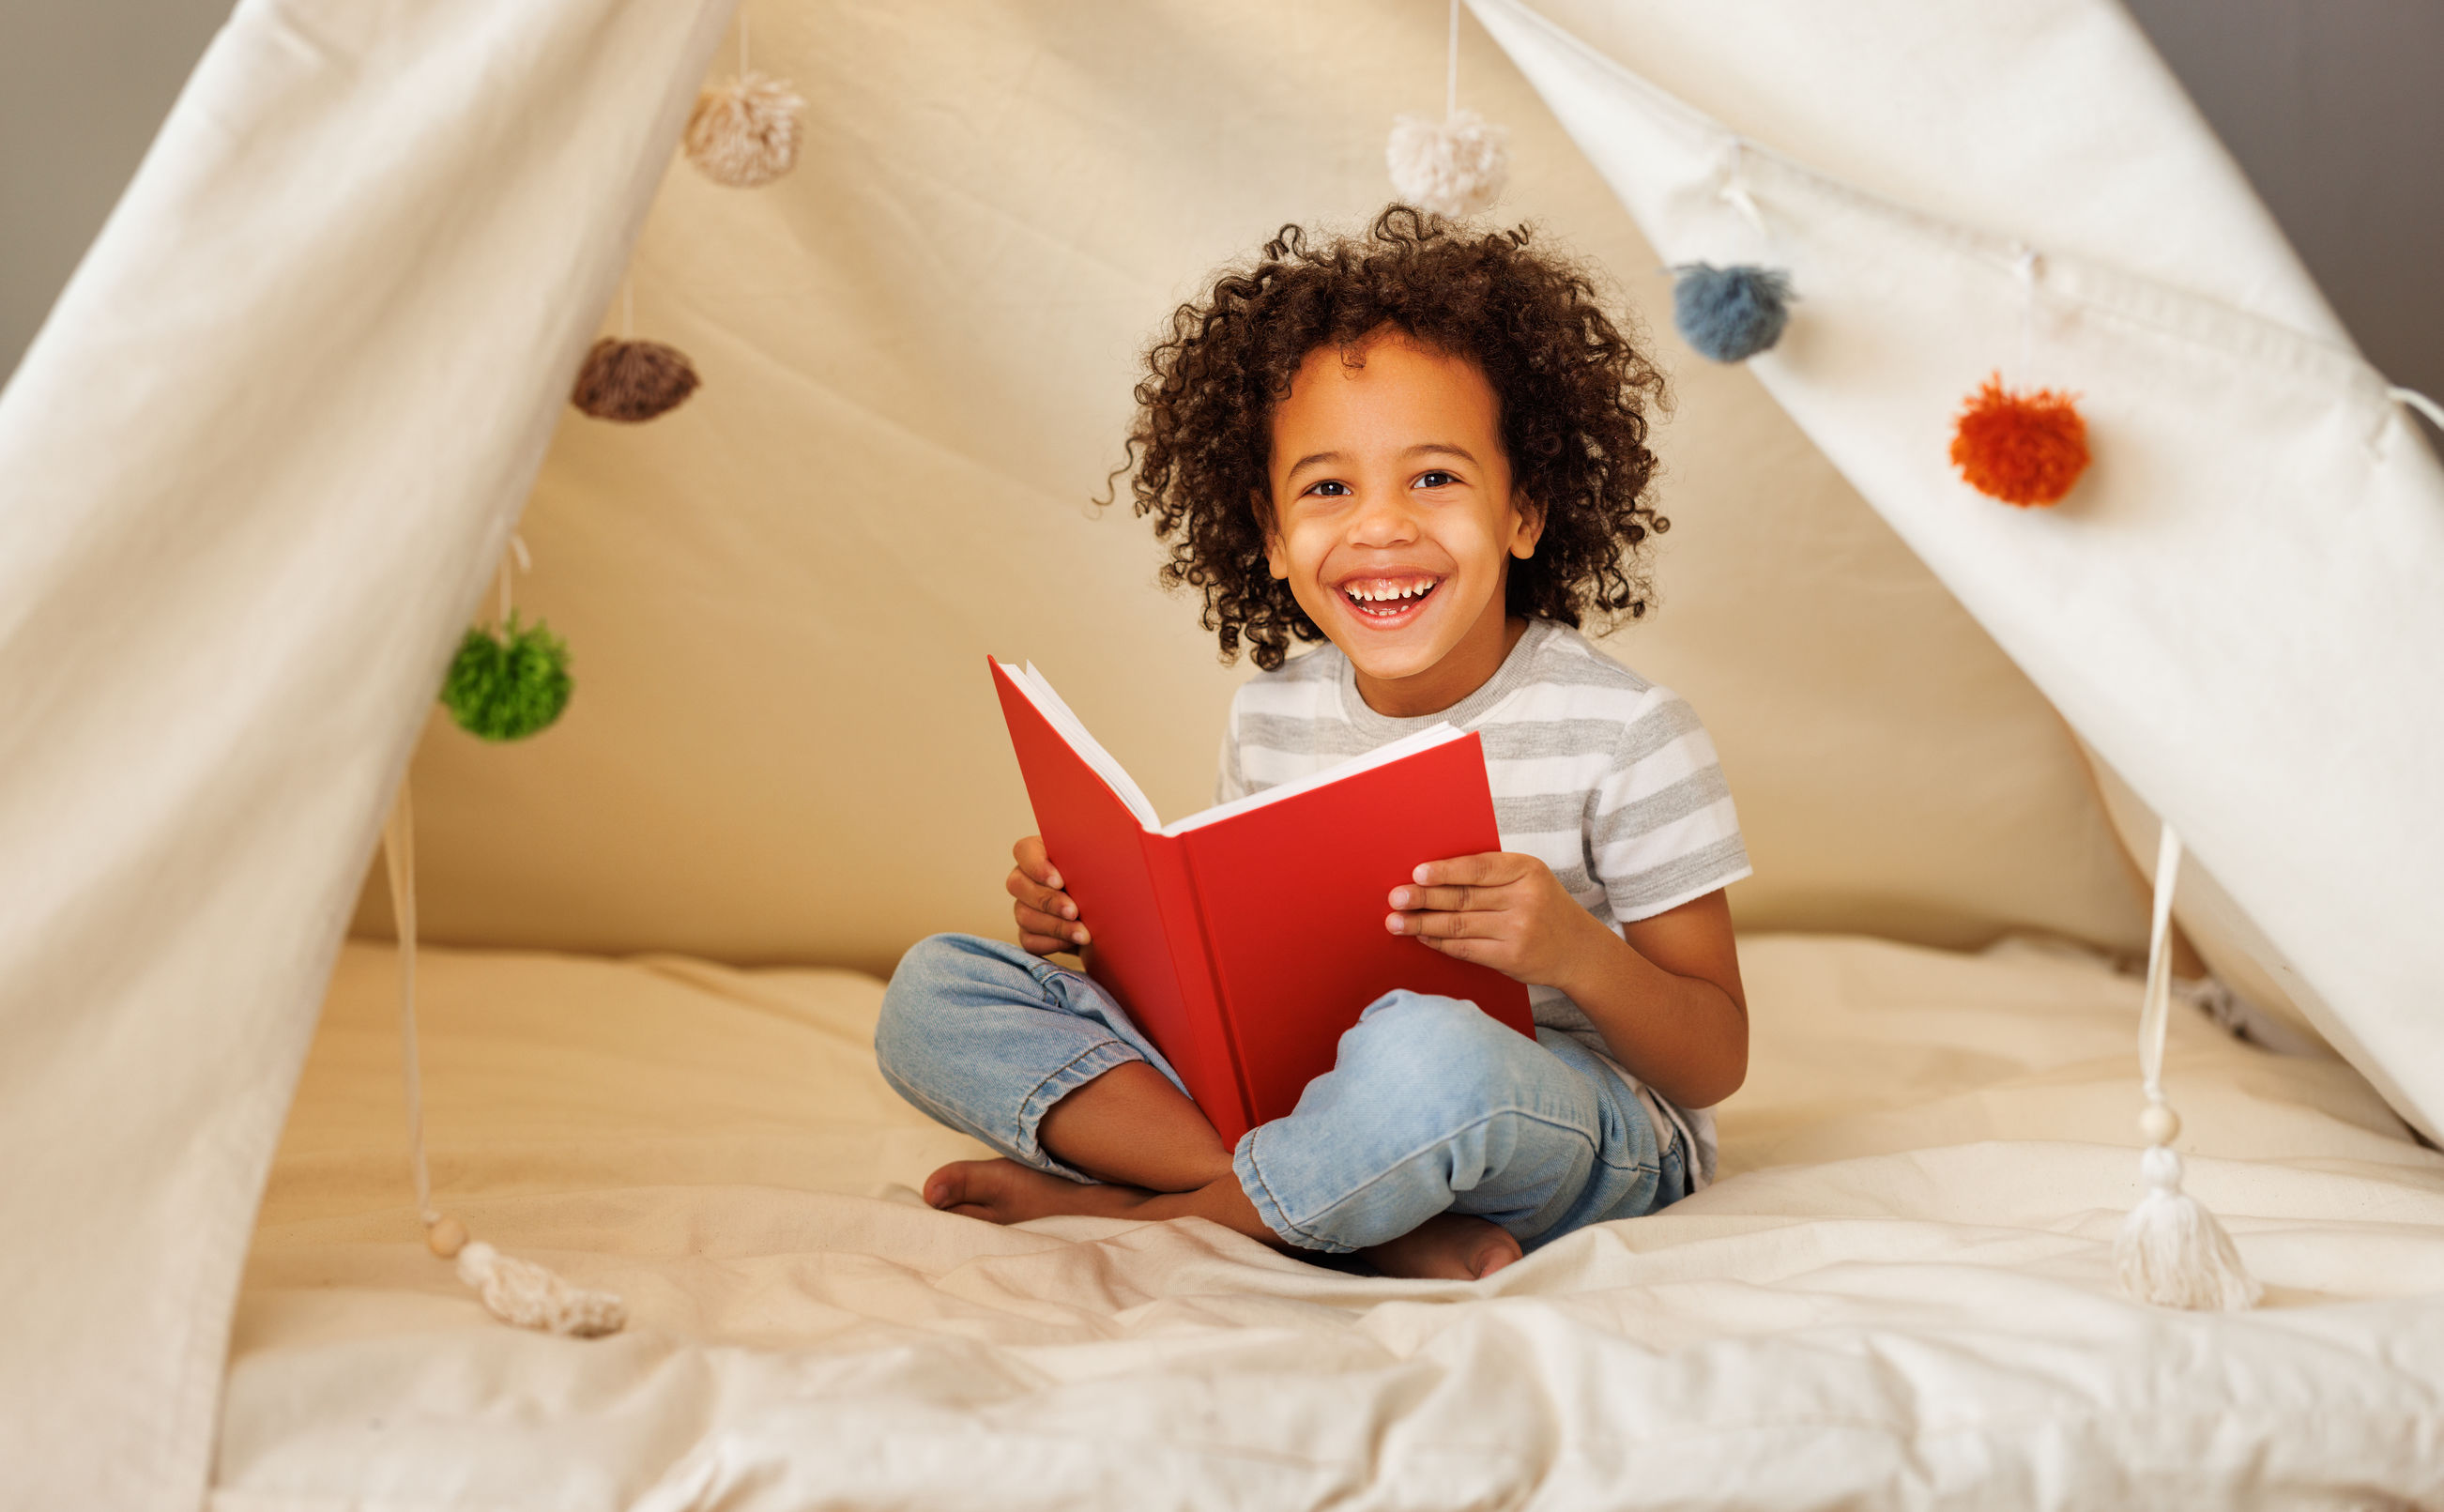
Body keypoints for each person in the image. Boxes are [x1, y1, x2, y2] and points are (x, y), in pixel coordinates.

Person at [876, 207, 1750, 1280]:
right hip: (1311, 1093)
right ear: (1276, 539)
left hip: (1554, 1117)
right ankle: (1343, 1207)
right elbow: (1238, 989)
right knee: (935, 990)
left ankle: (1160, 1213)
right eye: (1329, 488)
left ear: (1524, 513)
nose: (1380, 526)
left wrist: (1572, 952)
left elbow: (1712, 1062)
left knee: (1429, 1057)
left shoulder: (1629, 734)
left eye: (1434, 477)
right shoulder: (1272, 714)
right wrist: (1094, 924)